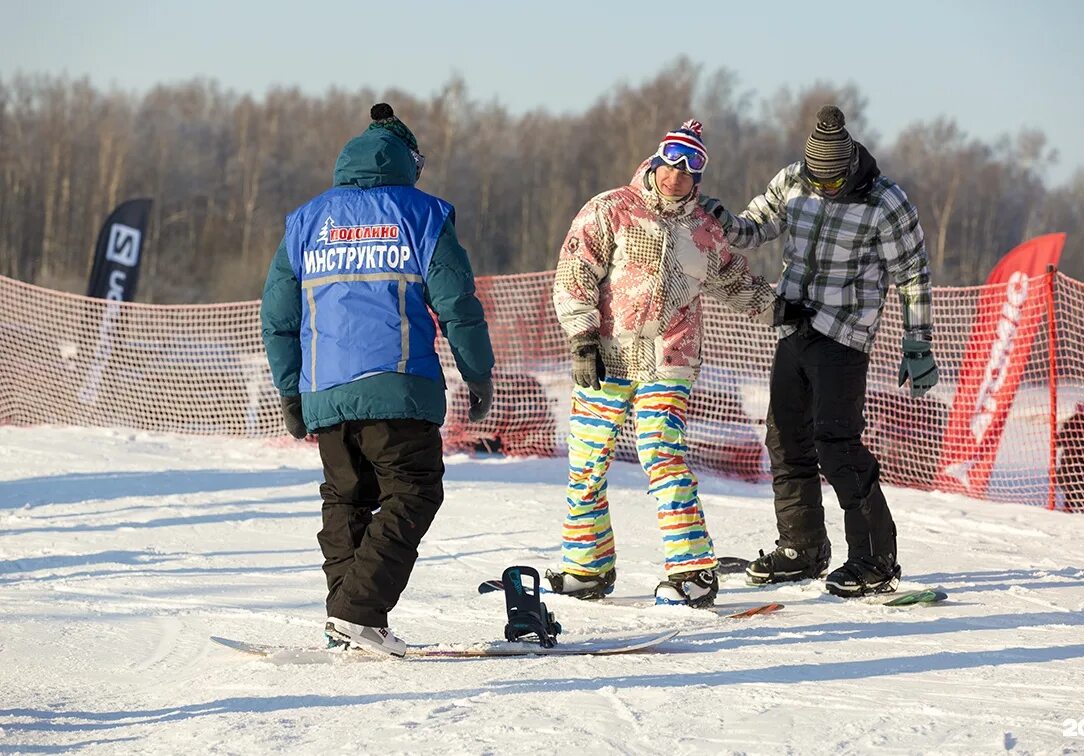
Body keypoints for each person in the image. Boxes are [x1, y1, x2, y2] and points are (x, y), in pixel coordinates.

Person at [260, 103, 494, 656]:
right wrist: (477, 374)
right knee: (413, 491)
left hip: (325, 391)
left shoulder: (305, 221)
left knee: (346, 499)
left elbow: (278, 316)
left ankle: (347, 620)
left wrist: (291, 390)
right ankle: (357, 613)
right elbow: (457, 304)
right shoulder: (424, 215)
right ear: (409, 162)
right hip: (399, 386)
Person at [701, 105, 937, 597]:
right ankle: (802, 548)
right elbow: (754, 229)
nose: (824, 189)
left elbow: (912, 273)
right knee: (786, 440)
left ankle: (875, 559)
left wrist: (917, 340)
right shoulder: (793, 181)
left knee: (838, 445)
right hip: (794, 327)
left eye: (833, 183)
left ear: (849, 167)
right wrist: (722, 219)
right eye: (817, 181)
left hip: (844, 336)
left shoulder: (885, 202)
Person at [548, 119, 775, 607]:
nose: (677, 174)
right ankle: (586, 567)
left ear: (700, 177)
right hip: (608, 355)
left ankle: (692, 572)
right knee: (587, 461)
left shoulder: (705, 232)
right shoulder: (611, 209)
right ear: (656, 161)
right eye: (671, 161)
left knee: (661, 454)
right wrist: (582, 338)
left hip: (670, 358)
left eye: (690, 167)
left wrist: (782, 309)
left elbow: (735, 282)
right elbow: (575, 271)